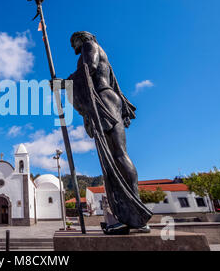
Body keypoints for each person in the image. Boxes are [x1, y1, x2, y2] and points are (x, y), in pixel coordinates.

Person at [51, 31, 152, 234]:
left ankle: (134, 211)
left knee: (115, 155)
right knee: (114, 157)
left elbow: (89, 68)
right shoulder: (98, 50)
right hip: (106, 99)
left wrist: (63, 83)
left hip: (103, 100)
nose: (74, 48)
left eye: (74, 43)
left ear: (82, 38)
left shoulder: (90, 46)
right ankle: (129, 213)